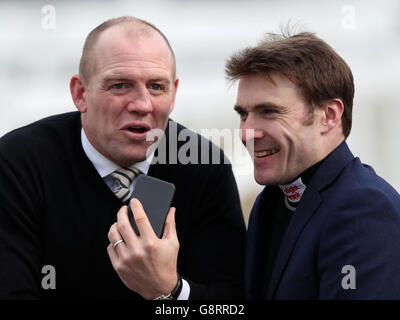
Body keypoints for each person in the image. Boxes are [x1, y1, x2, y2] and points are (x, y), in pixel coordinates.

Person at [0, 16, 246, 299]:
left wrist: (168, 291)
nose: (142, 104)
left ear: (174, 93)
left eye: (156, 86)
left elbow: (230, 301)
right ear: (81, 94)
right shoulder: (19, 162)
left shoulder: (204, 166)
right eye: (120, 85)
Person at [225, 30, 400, 299]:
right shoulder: (271, 199)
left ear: (329, 115)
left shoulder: (363, 207)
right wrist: (169, 292)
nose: (247, 133)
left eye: (269, 111)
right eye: (243, 114)